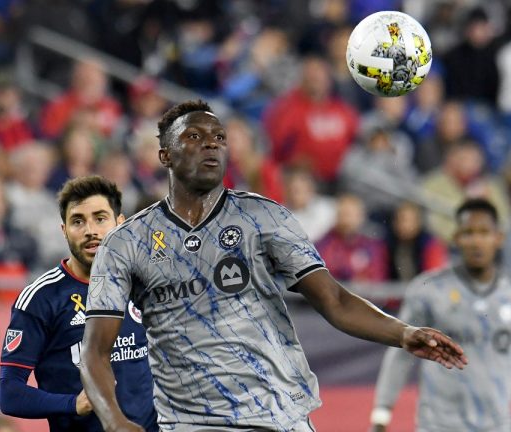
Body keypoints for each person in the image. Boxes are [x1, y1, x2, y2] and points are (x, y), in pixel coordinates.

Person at [79, 100, 467, 432]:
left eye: (218, 138)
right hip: (189, 422)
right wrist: (115, 422)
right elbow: (95, 350)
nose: (211, 145)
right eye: (194, 137)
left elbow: (333, 299)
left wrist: (403, 333)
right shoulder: (126, 242)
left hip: (278, 414)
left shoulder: (264, 218)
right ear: (164, 154)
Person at [369, 198, 511, 432]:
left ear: (499, 238)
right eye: (468, 233)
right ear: (456, 238)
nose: (477, 241)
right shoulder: (428, 289)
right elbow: (401, 354)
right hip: (437, 424)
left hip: (496, 425)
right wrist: (382, 412)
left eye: (484, 232)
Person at [0, 175, 157, 432]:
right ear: (64, 230)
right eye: (78, 221)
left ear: (121, 223)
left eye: (100, 218)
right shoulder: (40, 298)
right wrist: (73, 404)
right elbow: (10, 393)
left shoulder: (146, 284)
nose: (90, 230)